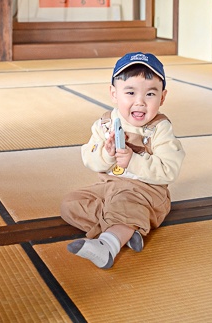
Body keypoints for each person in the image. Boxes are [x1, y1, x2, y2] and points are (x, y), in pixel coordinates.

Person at [60, 52, 185, 269]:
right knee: (70, 204)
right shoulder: (106, 124)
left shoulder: (160, 129)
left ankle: (107, 247)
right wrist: (106, 155)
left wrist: (133, 161)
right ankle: (126, 230)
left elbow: (169, 170)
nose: (140, 102)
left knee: (124, 203)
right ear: (114, 94)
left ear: (162, 97)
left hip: (146, 192)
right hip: (108, 187)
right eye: (130, 92)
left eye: (150, 94)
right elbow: (90, 159)